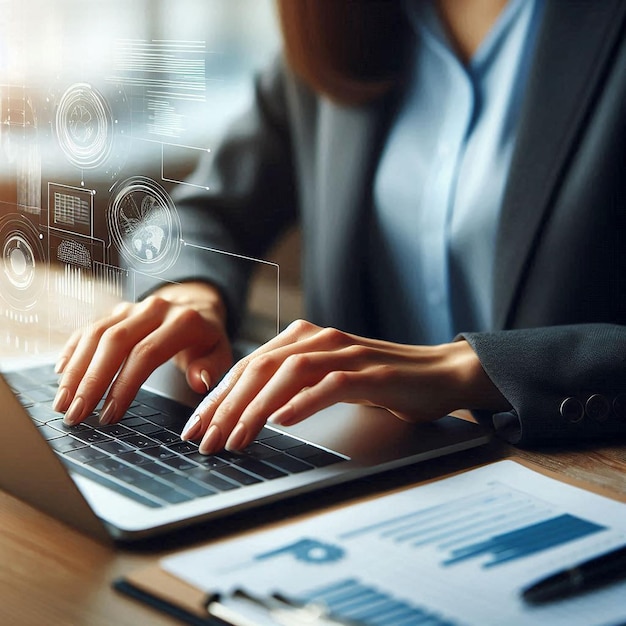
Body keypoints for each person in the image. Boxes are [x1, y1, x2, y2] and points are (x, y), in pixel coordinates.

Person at [52, 0, 626, 454]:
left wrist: (469, 370)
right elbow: (197, 214)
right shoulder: (349, 22)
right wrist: (189, 292)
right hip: (357, 470)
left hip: (575, 477)